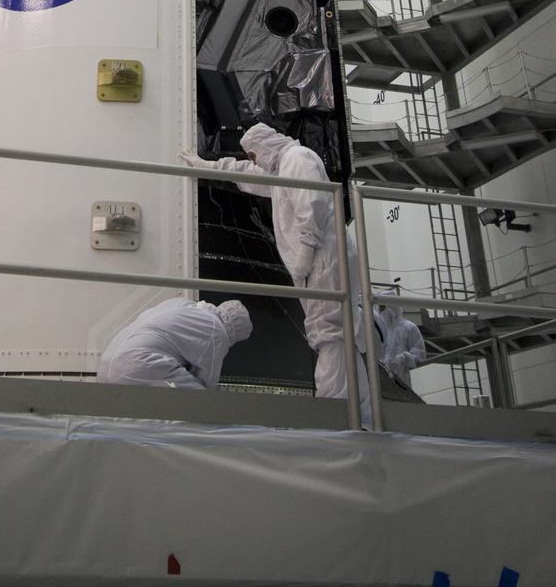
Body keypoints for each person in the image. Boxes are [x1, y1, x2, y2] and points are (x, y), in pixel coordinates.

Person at [183, 124, 371, 422]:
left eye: (255, 154)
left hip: (323, 257)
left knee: (329, 333)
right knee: (340, 333)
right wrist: (207, 165)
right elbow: (247, 174)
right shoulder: (284, 166)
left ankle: (336, 410)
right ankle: (360, 410)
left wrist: (305, 253)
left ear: (266, 145)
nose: (255, 160)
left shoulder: (297, 158)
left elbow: (313, 204)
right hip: (322, 257)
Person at [97, 297, 252, 389]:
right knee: (199, 400)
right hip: (139, 364)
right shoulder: (217, 331)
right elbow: (207, 383)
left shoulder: (183, 304)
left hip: (107, 364)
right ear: (234, 333)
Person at [374, 292, 427, 387]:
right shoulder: (377, 330)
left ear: (392, 306)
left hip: (400, 380)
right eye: (380, 307)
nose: (380, 310)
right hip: (378, 380)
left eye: (383, 306)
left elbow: (420, 355)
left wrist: (404, 358)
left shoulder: (409, 327)